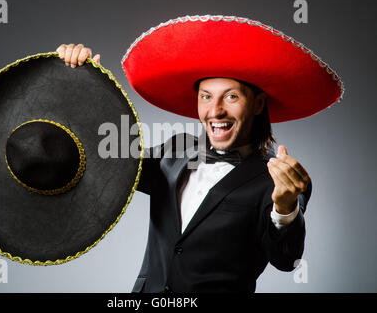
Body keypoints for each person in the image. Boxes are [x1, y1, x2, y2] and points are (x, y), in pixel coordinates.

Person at [56, 43, 312, 293]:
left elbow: (287, 260)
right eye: (206, 96)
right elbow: (108, 163)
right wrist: (83, 86)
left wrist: (285, 208)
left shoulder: (280, 179)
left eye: (231, 96)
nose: (216, 110)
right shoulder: (176, 148)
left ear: (257, 104)